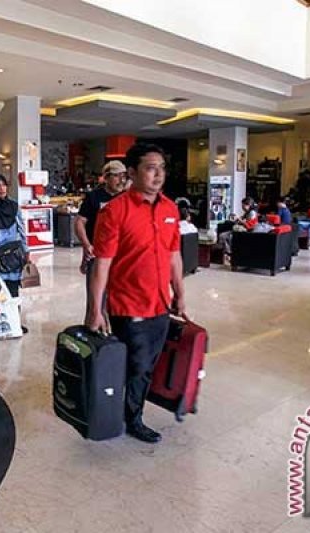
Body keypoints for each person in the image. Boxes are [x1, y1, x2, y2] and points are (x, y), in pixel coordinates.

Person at [88, 142, 186, 444]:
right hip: (128, 304)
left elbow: (174, 255)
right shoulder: (115, 211)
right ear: (132, 172)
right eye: (150, 167)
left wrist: (180, 294)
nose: (158, 174)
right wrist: (95, 309)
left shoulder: (170, 209)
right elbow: (101, 264)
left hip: (160, 303)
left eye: (162, 168)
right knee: (140, 365)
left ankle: (125, 405)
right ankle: (133, 419)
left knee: (143, 365)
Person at [75, 160, 126, 321]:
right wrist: (86, 245)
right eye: (117, 176)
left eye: (123, 176)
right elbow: (79, 222)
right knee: (96, 297)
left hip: (121, 254)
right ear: (106, 177)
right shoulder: (94, 197)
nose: (121, 180)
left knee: (118, 297)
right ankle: (92, 328)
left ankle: (113, 331)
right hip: (97, 253)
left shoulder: (127, 197)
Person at [0, 174, 31, 333]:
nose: (1, 188)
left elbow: (21, 229)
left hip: (14, 255)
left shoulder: (14, 206)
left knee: (14, 291)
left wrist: (26, 250)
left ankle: (15, 323)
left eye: (4, 185)